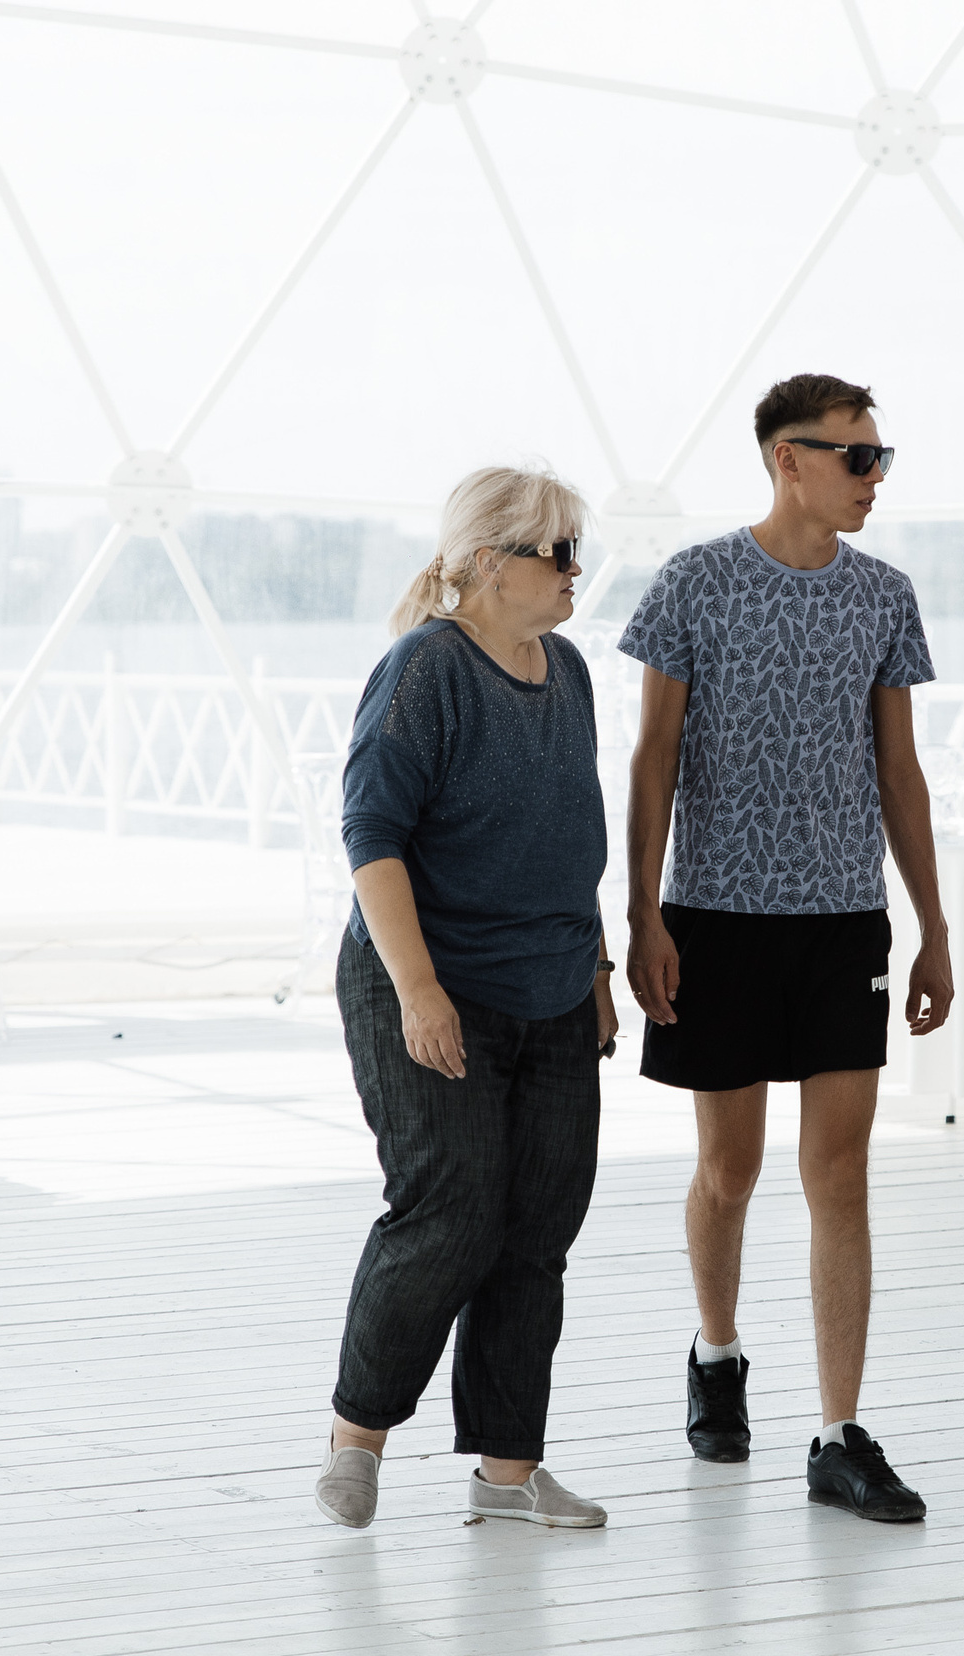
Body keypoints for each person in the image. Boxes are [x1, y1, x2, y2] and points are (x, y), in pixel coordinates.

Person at [620, 372, 952, 1523]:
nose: (873, 477)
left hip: (842, 921)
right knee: (730, 1170)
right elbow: (652, 755)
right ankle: (716, 1355)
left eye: (881, 457)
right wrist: (642, 913)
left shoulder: (884, 596)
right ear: (787, 460)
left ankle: (838, 1433)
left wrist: (931, 927)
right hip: (712, 918)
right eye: (856, 456)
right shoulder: (695, 583)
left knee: (840, 1174)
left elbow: (899, 773)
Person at [315, 465, 619, 1532]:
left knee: (537, 1229)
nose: (576, 571)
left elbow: (566, 839)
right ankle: (357, 1441)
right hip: (426, 984)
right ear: (491, 563)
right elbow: (371, 839)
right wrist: (419, 992)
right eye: (558, 553)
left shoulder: (567, 671)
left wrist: (596, 971)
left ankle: (507, 1472)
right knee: (448, 1211)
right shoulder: (424, 670)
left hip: (551, 989)